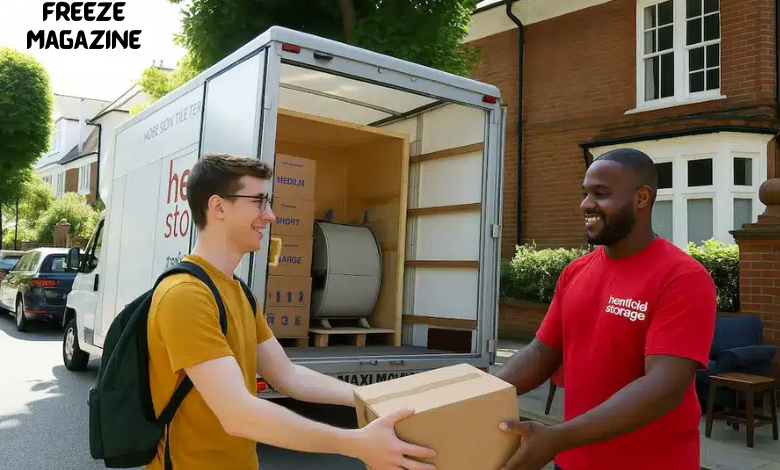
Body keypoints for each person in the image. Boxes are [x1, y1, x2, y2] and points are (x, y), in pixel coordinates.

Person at [145, 152, 436, 470]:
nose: (269, 215)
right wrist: (356, 443)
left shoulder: (237, 291)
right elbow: (239, 416)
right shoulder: (186, 295)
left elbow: (288, 376)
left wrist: (371, 396)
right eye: (258, 201)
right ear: (218, 207)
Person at [495, 148, 717, 470]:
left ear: (641, 198)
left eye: (601, 194)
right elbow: (543, 351)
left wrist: (556, 437)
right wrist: (481, 393)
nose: (586, 204)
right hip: (572, 460)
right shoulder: (576, 271)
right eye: (585, 193)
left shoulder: (683, 278)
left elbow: (664, 388)